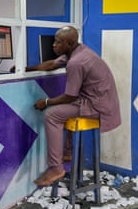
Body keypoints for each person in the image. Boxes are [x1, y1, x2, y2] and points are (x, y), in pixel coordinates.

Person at [31, 26, 121, 186]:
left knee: (52, 115)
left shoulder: (76, 63)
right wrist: (24, 69)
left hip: (98, 106)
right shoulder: (78, 51)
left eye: (58, 42)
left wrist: (45, 102)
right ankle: (67, 152)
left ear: (69, 43)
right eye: (54, 41)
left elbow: (69, 96)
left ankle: (55, 168)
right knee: (66, 111)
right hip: (97, 100)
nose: (53, 45)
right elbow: (52, 64)